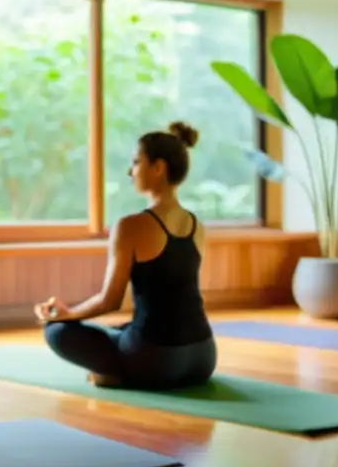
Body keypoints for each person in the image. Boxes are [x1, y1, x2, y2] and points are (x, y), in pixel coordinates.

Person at [33, 122, 216, 390]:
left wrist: (65, 315)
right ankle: (127, 369)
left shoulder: (129, 226)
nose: (130, 171)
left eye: (136, 162)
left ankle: (119, 376)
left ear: (158, 167)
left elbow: (110, 300)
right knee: (123, 329)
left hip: (158, 362)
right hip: (203, 357)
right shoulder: (196, 225)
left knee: (56, 331)